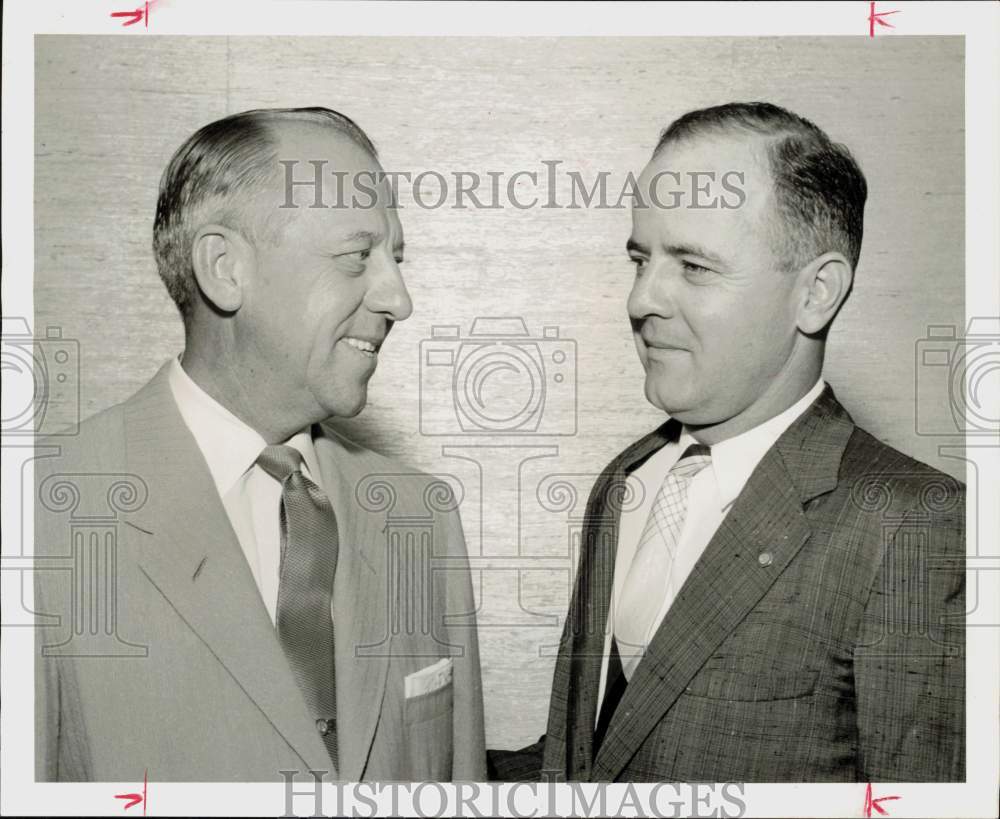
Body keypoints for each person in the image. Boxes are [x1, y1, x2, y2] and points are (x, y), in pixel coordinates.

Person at [489, 101, 964, 783]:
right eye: (640, 258)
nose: (641, 298)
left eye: (693, 265)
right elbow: (597, 756)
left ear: (816, 294)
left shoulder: (917, 526)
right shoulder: (628, 479)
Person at [34, 107, 486, 782]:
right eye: (358, 256)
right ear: (224, 269)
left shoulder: (423, 515)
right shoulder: (45, 515)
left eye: (395, 259)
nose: (399, 297)